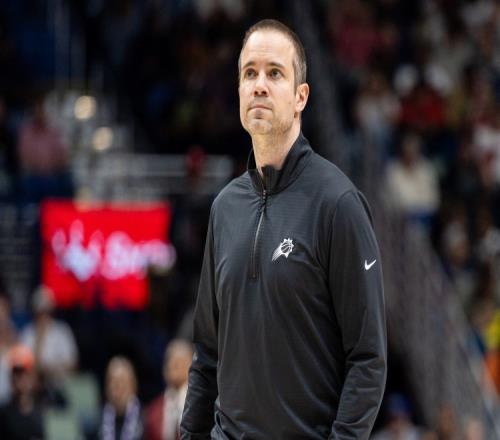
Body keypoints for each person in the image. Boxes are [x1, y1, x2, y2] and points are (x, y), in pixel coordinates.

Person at [180, 19, 387, 439]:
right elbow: (207, 355)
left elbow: (368, 360)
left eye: (274, 73)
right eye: (249, 73)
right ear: (239, 90)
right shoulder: (224, 209)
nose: (259, 85)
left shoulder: (338, 204)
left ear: (300, 97)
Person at [145, 339, 193, 440]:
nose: (173, 365)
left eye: (179, 361)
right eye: (169, 360)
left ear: (191, 365)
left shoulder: (201, 407)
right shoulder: (153, 411)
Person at [0, 344, 44, 440]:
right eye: (16, 374)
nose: (20, 379)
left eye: (25, 373)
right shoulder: (3, 414)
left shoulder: (43, 409)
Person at [100, 356, 143, 440]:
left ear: (133, 385)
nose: (119, 389)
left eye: (122, 382)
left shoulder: (146, 419)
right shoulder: (99, 420)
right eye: (114, 383)